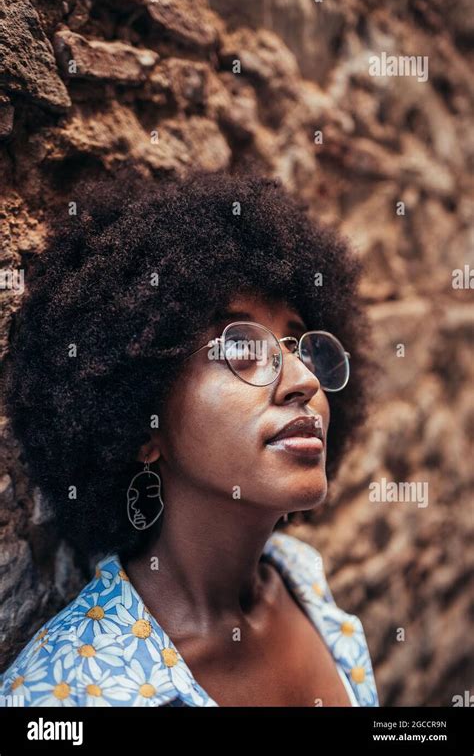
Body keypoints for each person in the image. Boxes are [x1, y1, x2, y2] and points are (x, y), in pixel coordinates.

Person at [0, 170, 379, 707]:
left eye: (297, 344)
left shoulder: (303, 579)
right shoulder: (69, 693)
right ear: (141, 421)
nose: (305, 380)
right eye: (238, 346)